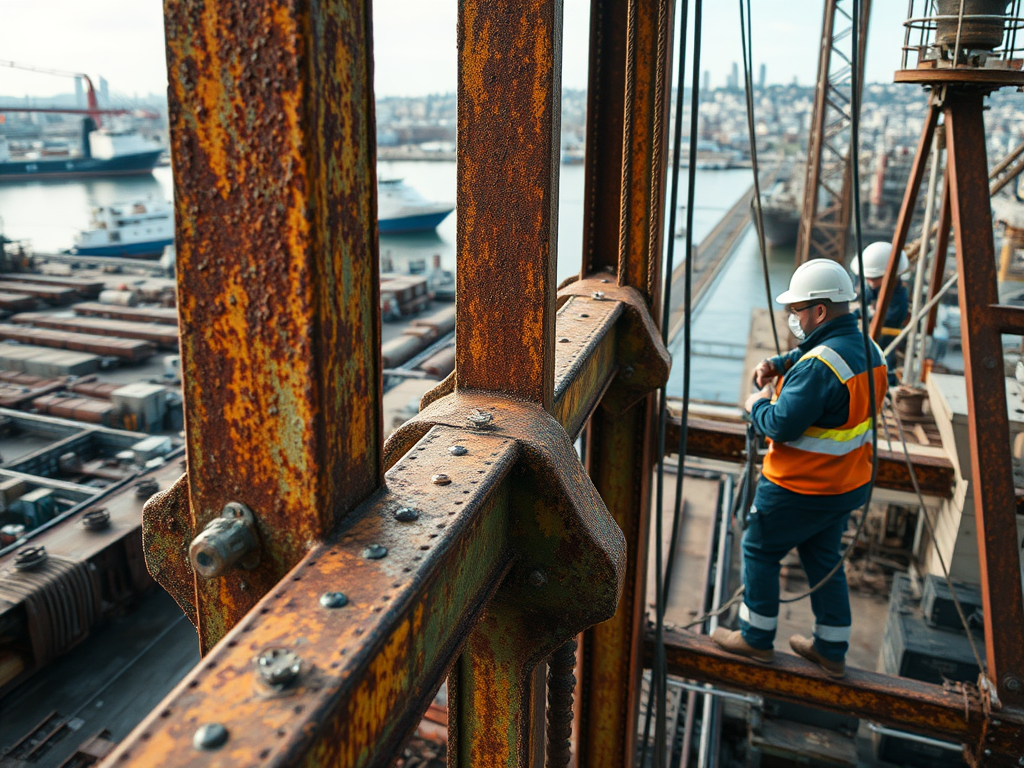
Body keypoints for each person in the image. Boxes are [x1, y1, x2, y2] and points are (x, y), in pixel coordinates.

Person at [711, 258, 888, 679]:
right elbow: (818, 355)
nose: (794, 318)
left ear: (820, 311)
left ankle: (755, 639)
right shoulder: (871, 351)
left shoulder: (818, 368)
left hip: (799, 486)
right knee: (823, 559)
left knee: (759, 548)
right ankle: (831, 648)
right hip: (845, 485)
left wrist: (756, 405)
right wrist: (781, 361)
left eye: (798, 311)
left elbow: (781, 425)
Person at [853, 241, 910, 383]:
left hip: (887, 334)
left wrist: (871, 313)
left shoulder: (899, 296)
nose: (870, 281)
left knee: (885, 361)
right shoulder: (872, 287)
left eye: (875, 278)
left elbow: (889, 318)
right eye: (868, 278)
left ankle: (888, 386)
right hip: (872, 330)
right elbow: (864, 302)